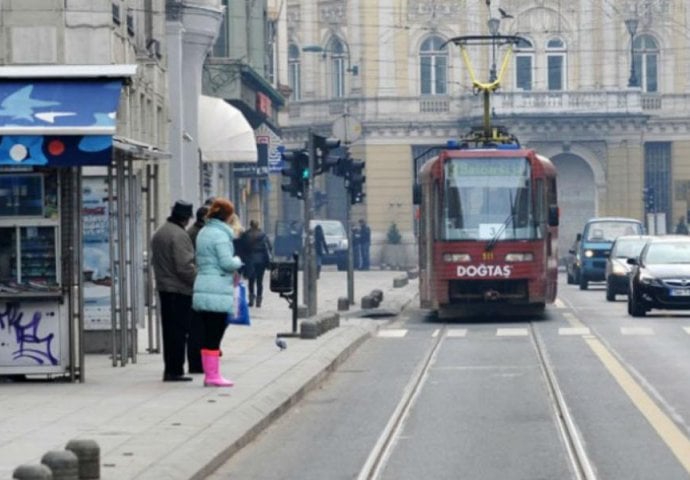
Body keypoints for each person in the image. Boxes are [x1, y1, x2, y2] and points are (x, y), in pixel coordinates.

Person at [192, 198, 244, 387]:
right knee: (215, 333)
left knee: (209, 333)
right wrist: (238, 260)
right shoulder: (220, 235)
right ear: (228, 216)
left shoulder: (204, 232)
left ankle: (210, 374)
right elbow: (226, 263)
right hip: (216, 288)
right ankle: (212, 375)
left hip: (203, 284)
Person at [150, 200, 197, 382]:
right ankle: (175, 370)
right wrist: (197, 282)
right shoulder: (179, 235)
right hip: (178, 290)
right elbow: (184, 266)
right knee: (178, 332)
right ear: (185, 218)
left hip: (164, 287)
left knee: (169, 332)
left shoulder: (161, 231)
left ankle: (170, 369)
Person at [184, 205, 210, 374]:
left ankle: (199, 361)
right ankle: (197, 363)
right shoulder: (196, 233)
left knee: (200, 327)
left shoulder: (196, 231)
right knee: (197, 328)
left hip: (199, 283)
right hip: (197, 284)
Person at [241, 220, 273, 307]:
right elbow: (270, 247)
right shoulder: (263, 235)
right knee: (260, 281)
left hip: (250, 260)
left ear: (250, 225)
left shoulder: (246, 235)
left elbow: (242, 247)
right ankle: (259, 301)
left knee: (251, 281)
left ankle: (251, 300)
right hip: (261, 260)